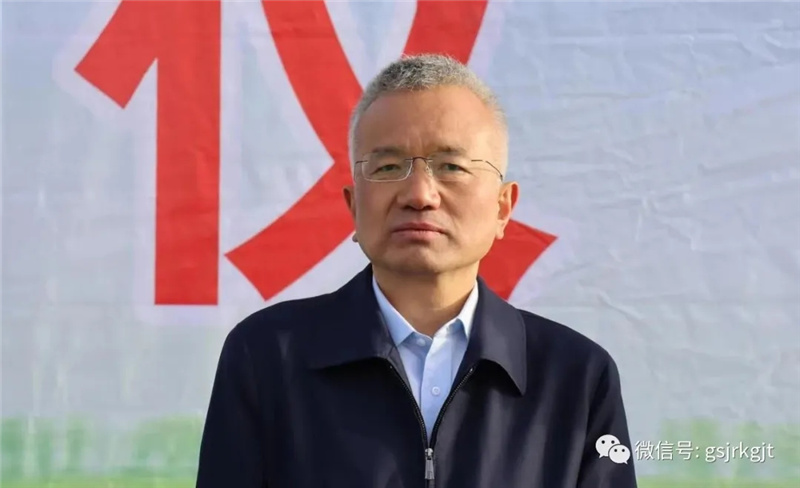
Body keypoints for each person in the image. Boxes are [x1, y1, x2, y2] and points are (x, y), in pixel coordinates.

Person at [196, 53, 638, 488]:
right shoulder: (267, 357)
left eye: (451, 167)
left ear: (503, 207)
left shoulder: (576, 376)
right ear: (354, 206)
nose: (420, 195)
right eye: (389, 167)